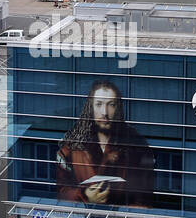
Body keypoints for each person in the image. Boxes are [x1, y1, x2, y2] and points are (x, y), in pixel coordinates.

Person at [56, 80, 155, 208]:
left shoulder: (137, 145)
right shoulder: (72, 145)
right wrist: (84, 195)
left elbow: (144, 199)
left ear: (118, 108)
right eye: (98, 104)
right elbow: (61, 192)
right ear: (90, 107)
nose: (104, 112)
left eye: (111, 105)